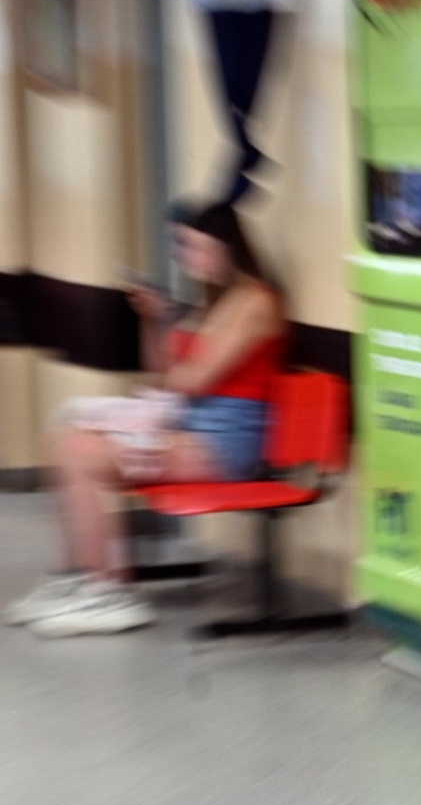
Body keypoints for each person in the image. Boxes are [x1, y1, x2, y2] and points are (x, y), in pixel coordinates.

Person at [5, 202, 288, 638]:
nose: (189, 260)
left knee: (83, 452)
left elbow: (192, 381)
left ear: (228, 247)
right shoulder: (214, 301)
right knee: (63, 438)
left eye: (197, 249)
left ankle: (107, 590)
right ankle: (77, 575)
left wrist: (172, 379)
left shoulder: (255, 302)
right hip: (190, 430)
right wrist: (153, 319)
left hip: (225, 443)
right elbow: (162, 372)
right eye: (186, 249)